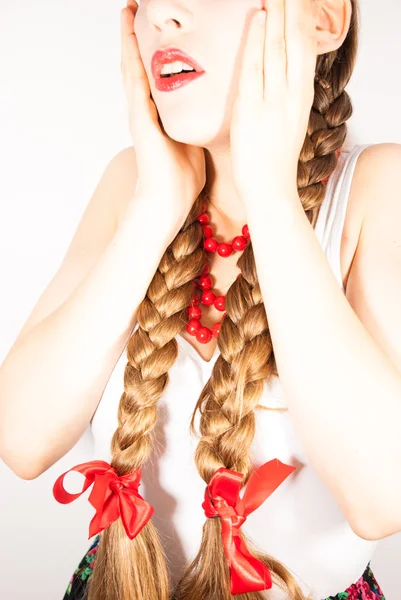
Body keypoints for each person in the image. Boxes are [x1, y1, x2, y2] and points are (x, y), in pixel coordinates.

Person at [1, 0, 400, 598]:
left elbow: (382, 498)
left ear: (324, 18)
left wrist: (271, 193)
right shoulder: (131, 184)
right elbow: (22, 441)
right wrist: (156, 206)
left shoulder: (376, 188)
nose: (164, 16)